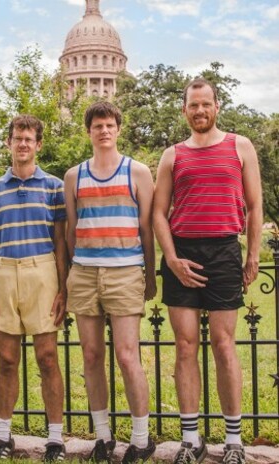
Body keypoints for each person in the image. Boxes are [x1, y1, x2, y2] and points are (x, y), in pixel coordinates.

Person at [153, 78, 262, 464]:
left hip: (223, 251)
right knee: (184, 346)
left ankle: (233, 440)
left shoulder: (240, 146)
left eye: (205, 104)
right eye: (192, 105)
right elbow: (157, 213)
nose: (199, 111)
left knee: (224, 344)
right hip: (183, 253)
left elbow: (254, 205)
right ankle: (190, 439)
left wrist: (252, 255)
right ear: (184, 110)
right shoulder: (172, 155)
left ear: (216, 106)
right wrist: (171, 259)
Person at [64, 102, 157, 463]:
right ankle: (103, 437)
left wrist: (149, 276)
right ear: (88, 131)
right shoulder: (75, 176)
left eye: (109, 124)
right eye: (97, 125)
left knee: (126, 355)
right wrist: (76, 268)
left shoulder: (138, 171)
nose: (104, 130)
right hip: (85, 273)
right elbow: (72, 229)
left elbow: (146, 229)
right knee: (91, 356)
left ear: (118, 128)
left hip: (125, 272)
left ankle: (141, 437)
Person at [0, 114, 68, 461]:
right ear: (9, 143)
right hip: (5, 271)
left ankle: (56, 439)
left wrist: (62, 288)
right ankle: (3, 437)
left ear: (38, 144)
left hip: (41, 269)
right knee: (6, 359)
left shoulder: (54, 187)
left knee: (47, 357)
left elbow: (60, 242)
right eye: (17, 138)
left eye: (29, 138)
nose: (23, 144)